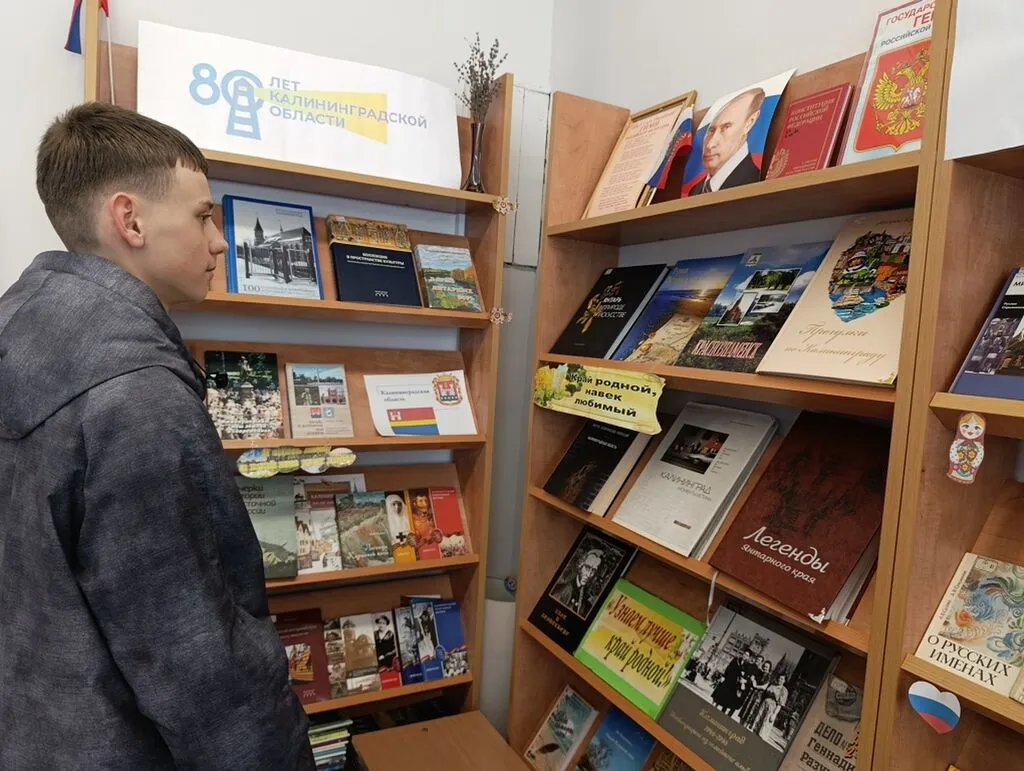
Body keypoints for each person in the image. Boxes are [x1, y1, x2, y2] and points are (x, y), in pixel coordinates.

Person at [0, 102, 313, 768]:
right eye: (203, 216)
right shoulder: (136, 395)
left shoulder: (16, 324)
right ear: (131, 220)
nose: (221, 241)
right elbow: (197, 659)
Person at [688, 88, 765, 195]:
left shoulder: (753, 183)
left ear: (749, 123)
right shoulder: (695, 191)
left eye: (726, 127)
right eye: (711, 130)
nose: (710, 145)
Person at [551, 547, 603, 617]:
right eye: (587, 568)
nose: (589, 574)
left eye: (593, 570)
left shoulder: (583, 592)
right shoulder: (565, 589)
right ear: (580, 566)